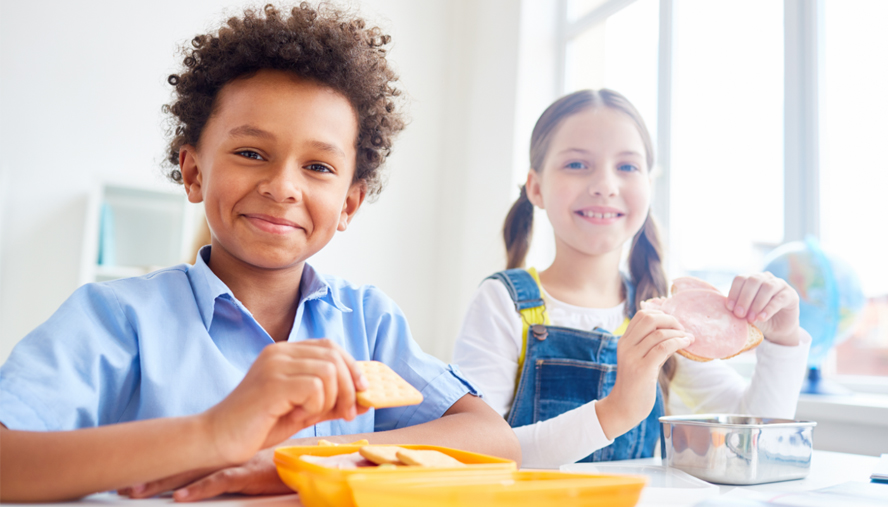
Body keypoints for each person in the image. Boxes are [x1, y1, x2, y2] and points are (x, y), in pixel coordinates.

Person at [0, 4, 519, 502]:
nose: (282, 186)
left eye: (318, 166)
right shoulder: (115, 319)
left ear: (349, 203)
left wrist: (302, 459)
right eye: (251, 153)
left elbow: (493, 438)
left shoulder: (368, 321)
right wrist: (213, 433)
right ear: (194, 171)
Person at [452, 89, 810, 469]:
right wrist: (615, 411)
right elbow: (475, 451)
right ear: (536, 187)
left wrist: (783, 339)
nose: (605, 184)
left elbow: (752, 441)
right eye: (576, 164)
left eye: (627, 167)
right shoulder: (502, 302)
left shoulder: (664, 317)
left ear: (649, 188)